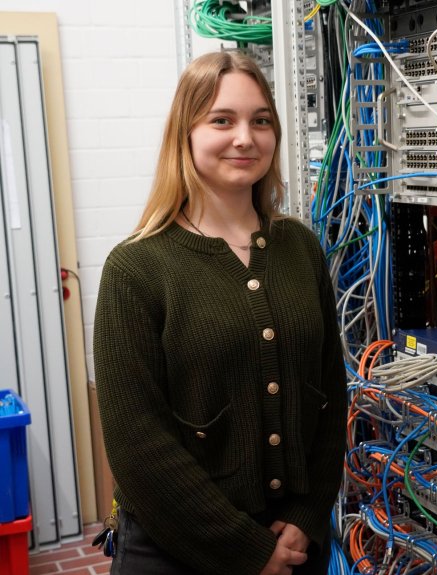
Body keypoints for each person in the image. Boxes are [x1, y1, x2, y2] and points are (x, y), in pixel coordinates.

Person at [93, 50, 346, 575]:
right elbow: (138, 445)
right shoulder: (137, 266)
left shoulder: (299, 247)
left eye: (261, 121)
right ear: (185, 134)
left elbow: (329, 395)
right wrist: (247, 552)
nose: (244, 138)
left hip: (293, 542)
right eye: (221, 120)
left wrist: (305, 514)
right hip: (176, 549)